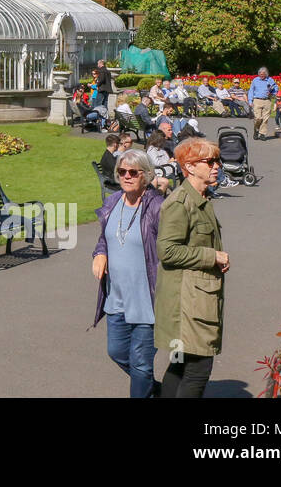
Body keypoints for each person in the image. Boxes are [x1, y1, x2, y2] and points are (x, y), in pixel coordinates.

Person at [155, 137, 230, 398]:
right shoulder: (180, 202)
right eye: (209, 161)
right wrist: (213, 256)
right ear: (189, 166)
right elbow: (166, 250)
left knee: (179, 365)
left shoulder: (201, 198)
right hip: (188, 304)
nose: (216, 166)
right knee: (198, 369)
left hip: (195, 298)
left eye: (217, 160)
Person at [92, 149, 166, 397]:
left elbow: (174, 244)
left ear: (145, 175)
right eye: (122, 171)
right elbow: (105, 238)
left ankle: (144, 384)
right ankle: (151, 387)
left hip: (147, 301)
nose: (126, 176)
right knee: (117, 352)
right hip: (117, 299)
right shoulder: (112, 203)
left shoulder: (157, 207)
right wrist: (99, 253)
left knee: (142, 363)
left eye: (133, 172)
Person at [248, 67, 280, 141]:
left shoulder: (270, 80)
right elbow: (251, 91)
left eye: (263, 74)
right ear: (258, 74)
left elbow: (276, 88)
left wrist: (272, 92)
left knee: (265, 119)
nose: (261, 75)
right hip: (257, 100)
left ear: (266, 74)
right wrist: (250, 101)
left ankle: (262, 134)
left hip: (267, 101)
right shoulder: (255, 80)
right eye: (260, 74)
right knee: (258, 118)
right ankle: (256, 130)